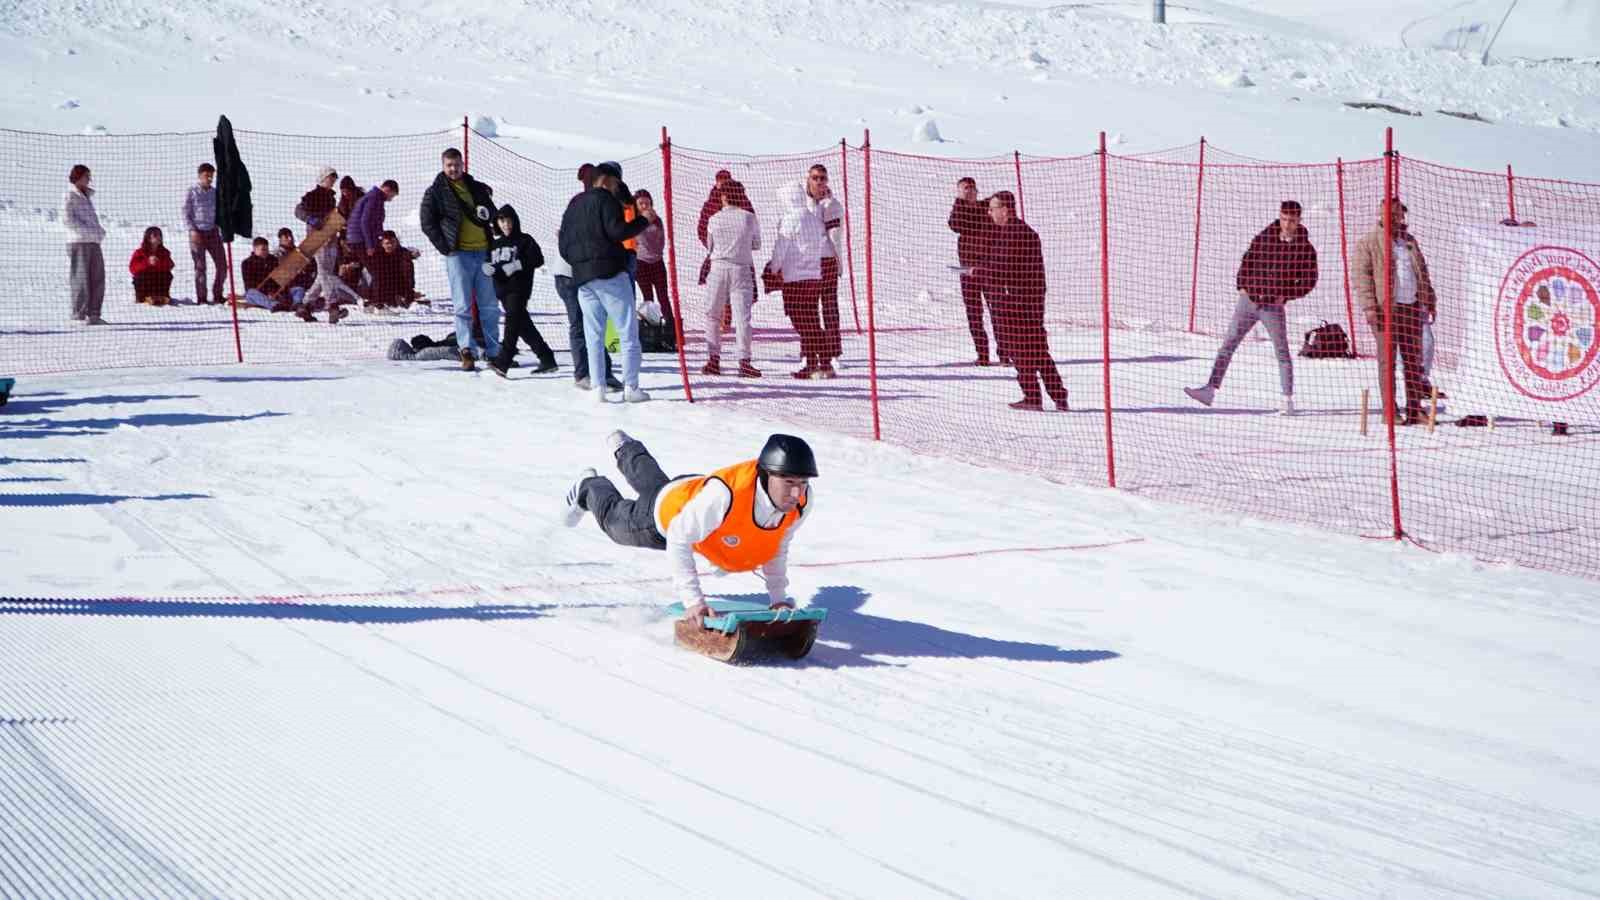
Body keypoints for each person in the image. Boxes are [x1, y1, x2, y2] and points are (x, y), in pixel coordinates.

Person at [562, 430, 816, 625]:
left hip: (691, 492)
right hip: (662, 520)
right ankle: (590, 485)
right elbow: (678, 537)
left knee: (655, 485)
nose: (796, 491)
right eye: (788, 481)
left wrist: (779, 600)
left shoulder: (801, 501)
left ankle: (627, 449)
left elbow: (776, 545)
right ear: (766, 474)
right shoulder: (725, 496)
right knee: (615, 523)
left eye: (803, 482)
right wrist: (694, 603)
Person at [1184, 200, 1319, 416]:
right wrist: (1242, 285)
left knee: (1281, 351)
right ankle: (1210, 389)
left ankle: (1287, 400)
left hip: (1272, 307)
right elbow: (1247, 260)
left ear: (1299, 220)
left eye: (1292, 220)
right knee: (1228, 344)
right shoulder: (1265, 237)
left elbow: (1310, 279)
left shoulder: (1305, 249)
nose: (1287, 224)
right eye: (1284, 219)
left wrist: (1287, 295)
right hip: (1248, 301)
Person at [558, 162, 652, 402]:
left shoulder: (575, 204)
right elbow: (618, 231)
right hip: (610, 274)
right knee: (628, 332)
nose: (618, 186)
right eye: (617, 181)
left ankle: (597, 387)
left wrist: (581, 263)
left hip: (582, 279)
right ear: (608, 179)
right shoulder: (606, 200)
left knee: (594, 335)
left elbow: (563, 245)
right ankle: (631, 388)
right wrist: (643, 221)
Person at [1354, 198, 1437, 426]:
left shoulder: (1409, 242)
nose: (1395, 218)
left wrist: (1429, 299)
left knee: (1413, 360)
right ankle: (1389, 410)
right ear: (1381, 215)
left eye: (1399, 214)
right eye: (1390, 214)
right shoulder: (1369, 242)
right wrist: (1370, 306)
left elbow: (1422, 273)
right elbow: (1361, 276)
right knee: (1387, 361)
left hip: (1411, 307)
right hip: (1384, 310)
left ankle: (1414, 408)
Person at [983, 190, 1068, 411]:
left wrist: (978, 271)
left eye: (993, 208)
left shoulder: (1016, 233)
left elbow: (1003, 266)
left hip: (1019, 302)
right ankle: (1056, 396)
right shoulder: (1011, 232)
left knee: (1023, 350)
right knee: (1037, 350)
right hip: (1025, 300)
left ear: (1005, 209)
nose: (990, 213)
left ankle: (1034, 397)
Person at [419, 147, 502, 371]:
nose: (453, 169)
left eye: (456, 164)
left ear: (462, 164)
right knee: (462, 305)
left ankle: (494, 352)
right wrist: (446, 248)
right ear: (443, 166)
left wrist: (492, 220)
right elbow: (427, 222)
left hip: (483, 253)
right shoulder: (435, 192)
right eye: (449, 165)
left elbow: (492, 213)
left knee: (490, 306)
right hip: (458, 255)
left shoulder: (476, 187)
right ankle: (467, 350)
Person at [552, 164, 621, 392]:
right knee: (580, 324)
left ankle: (603, 374)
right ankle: (582, 373)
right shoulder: (582, 204)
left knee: (594, 323)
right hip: (569, 274)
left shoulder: (598, 203)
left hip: (586, 273)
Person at [486, 204, 558, 377]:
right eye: (502, 221)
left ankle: (504, 361)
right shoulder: (495, 244)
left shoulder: (525, 240)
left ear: (515, 221)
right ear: (497, 223)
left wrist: (517, 265)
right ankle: (547, 358)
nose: (506, 225)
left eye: (509, 221)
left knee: (511, 324)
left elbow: (538, 259)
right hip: (502, 291)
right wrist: (487, 268)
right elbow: (490, 263)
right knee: (524, 326)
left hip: (518, 289)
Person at [769, 181, 831, 378]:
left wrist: (774, 268)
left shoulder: (790, 220)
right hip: (813, 277)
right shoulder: (813, 219)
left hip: (794, 279)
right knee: (811, 320)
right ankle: (819, 363)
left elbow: (781, 248)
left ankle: (819, 360)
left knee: (802, 324)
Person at [702, 180, 762, 377]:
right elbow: (756, 244)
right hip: (741, 268)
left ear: (724, 197)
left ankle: (713, 360)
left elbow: (710, 246)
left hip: (718, 268)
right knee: (743, 318)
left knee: (713, 315)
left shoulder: (713, 219)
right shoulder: (749, 218)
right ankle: (744, 361)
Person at [948, 176, 998, 365]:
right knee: (974, 314)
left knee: (998, 311)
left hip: (989, 268)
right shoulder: (959, 212)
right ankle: (983, 355)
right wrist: (960, 201)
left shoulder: (987, 208)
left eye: (971, 188)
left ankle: (1005, 353)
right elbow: (955, 225)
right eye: (964, 189)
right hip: (967, 270)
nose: (969, 191)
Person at [294, 166, 352, 324]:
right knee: (326, 273)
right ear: (322, 178)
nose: (332, 180)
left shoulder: (332, 197)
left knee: (324, 274)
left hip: (331, 238)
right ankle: (332, 306)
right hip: (317, 238)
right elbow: (298, 210)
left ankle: (304, 305)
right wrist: (311, 219)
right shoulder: (312, 195)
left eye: (334, 178)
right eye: (330, 177)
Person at [803, 164, 847, 370]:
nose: (819, 182)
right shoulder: (801, 203)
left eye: (822, 178)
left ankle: (833, 351)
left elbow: (835, 237)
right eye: (815, 178)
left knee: (829, 308)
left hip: (827, 261)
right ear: (808, 180)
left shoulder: (833, 205)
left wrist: (839, 263)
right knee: (807, 309)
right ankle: (808, 351)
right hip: (806, 262)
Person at [63, 164, 106, 325]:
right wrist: (88, 231)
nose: (89, 179)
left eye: (89, 176)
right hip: (78, 242)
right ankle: (78, 315)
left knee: (98, 277)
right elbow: (67, 219)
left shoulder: (87, 196)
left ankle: (94, 313)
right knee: (81, 278)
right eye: (86, 176)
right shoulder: (69, 195)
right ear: (78, 176)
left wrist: (99, 232)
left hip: (93, 242)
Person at [183, 162, 228, 305]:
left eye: (211, 176)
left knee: (222, 265)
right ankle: (201, 298)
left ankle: (218, 294)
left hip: (213, 232)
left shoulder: (215, 193)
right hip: (197, 233)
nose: (208, 178)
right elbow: (186, 213)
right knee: (200, 266)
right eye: (206, 176)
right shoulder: (192, 192)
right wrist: (192, 230)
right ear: (200, 176)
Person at [632, 189, 673, 339]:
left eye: (647, 203)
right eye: (641, 203)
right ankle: (652, 329)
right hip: (641, 263)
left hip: (657, 262)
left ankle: (670, 327)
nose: (644, 206)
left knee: (663, 296)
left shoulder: (657, 220)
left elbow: (659, 243)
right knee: (648, 297)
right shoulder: (634, 221)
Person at [365, 231, 424, 309]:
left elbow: (409, 252)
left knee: (407, 264)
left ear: (397, 242)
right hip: (382, 287)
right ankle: (377, 300)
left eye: (393, 242)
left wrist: (413, 254)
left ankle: (407, 295)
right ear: (382, 244)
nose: (390, 245)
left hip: (399, 284)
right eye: (387, 243)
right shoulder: (377, 254)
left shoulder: (401, 251)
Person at [347, 180, 398, 257]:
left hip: (358, 238)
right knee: (377, 266)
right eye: (392, 195)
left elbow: (375, 223)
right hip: (359, 239)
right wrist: (369, 245)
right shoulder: (374, 199)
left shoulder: (376, 198)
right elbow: (365, 222)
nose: (391, 199)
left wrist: (380, 237)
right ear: (387, 190)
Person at [128, 226, 175, 306]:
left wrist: (158, 262)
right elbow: (132, 268)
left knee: (167, 275)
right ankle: (142, 297)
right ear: (148, 238)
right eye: (155, 236)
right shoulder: (139, 252)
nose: (159, 238)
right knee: (139, 276)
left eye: (160, 235)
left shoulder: (164, 252)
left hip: (158, 281)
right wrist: (147, 262)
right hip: (145, 281)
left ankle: (162, 296)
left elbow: (170, 265)